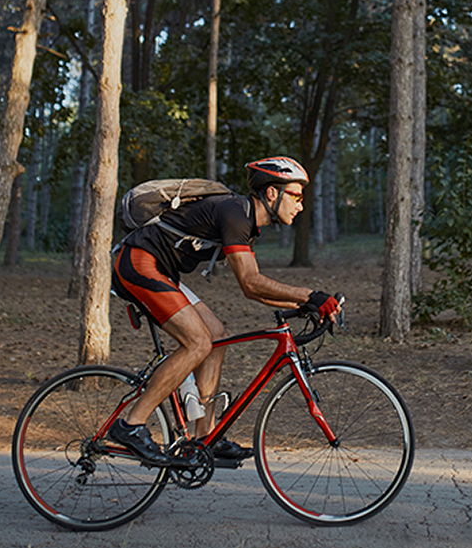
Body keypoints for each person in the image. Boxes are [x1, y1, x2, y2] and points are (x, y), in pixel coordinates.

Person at [108, 156, 343, 467]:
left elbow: (254, 289)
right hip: (138, 263)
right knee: (198, 342)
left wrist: (305, 304)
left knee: (216, 336)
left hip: (160, 271)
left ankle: (205, 437)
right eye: (296, 196)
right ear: (272, 193)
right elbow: (251, 283)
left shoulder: (247, 222)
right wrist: (311, 296)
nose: (300, 205)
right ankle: (131, 425)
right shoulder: (236, 214)